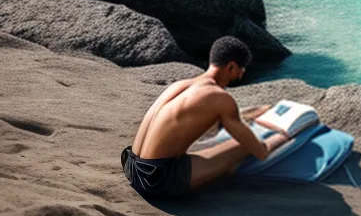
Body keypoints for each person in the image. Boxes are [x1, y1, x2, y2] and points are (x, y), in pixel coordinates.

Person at [122, 36, 289, 199]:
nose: (241, 75)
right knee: (243, 146)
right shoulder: (220, 98)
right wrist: (283, 136)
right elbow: (260, 152)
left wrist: (257, 111)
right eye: (241, 69)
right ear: (231, 66)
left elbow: (213, 117)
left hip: (132, 167)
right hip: (157, 181)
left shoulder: (181, 86)